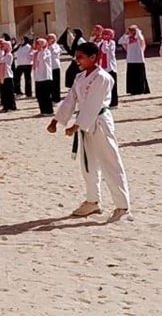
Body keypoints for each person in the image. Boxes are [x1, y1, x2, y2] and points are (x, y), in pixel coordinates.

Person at [46, 41, 132, 222]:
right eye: (76, 57)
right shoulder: (80, 77)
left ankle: (122, 206)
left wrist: (76, 125)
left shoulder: (102, 77)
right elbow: (70, 99)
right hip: (84, 124)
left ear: (93, 57)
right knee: (88, 164)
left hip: (99, 122)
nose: (77, 60)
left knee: (110, 162)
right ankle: (93, 201)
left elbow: (93, 104)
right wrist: (57, 120)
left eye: (81, 57)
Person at [119, 26, 150, 95]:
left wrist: (138, 31)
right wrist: (125, 34)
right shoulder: (127, 38)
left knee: (140, 75)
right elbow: (120, 41)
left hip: (139, 59)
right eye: (130, 30)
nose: (131, 32)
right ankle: (132, 90)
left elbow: (141, 38)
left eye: (132, 30)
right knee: (132, 76)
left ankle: (141, 89)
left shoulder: (138, 37)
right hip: (130, 59)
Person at [97, 27, 120, 108]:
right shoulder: (101, 43)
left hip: (110, 66)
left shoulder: (112, 43)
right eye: (104, 34)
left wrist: (105, 42)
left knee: (113, 85)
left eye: (107, 34)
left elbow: (105, 50)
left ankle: (114, 103)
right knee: (104, 86)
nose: (105, 36)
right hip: (102, 66)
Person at [31, 37, 55, 115]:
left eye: (38, 44)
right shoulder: (36, 53)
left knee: (46, 95)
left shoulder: (47, 52)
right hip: (38, 77)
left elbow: (42, 58)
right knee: (40, 95)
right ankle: (43, 110)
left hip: (45, 76)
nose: (36, 45)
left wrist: (41, 50)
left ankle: (49, 111)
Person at [0, 39, 17, 112]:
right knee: (4, 92)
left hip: (7, 75)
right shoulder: (4, 54)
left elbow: (0, 60)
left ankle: (11, 106)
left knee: (9, 92)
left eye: (3, 46)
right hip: (2, 75)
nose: (2, 47)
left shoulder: (9, 55)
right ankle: (6, 106)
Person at [47, 33, 64, 103]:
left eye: (50, 38)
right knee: (50, 83)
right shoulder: (47, 46)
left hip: (55, 65)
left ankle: (56, 98)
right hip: (49, 66)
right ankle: (51, 96)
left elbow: (55, 53)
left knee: (56, 83)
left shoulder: (56, 46)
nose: (48, 39)